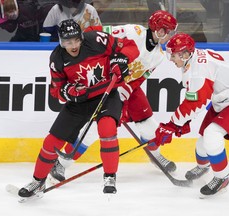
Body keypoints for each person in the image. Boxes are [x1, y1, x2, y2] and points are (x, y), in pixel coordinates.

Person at [48, 10, 179, 184]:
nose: (170, 36)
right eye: (168, 31)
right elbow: (99, 32)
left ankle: (156, 157)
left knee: (149, 126)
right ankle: (61, 164)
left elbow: (140, 77)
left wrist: (125, 91)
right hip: (103, 82)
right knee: (94, 130)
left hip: (127, 88)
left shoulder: (159, 56)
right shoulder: (134, 32)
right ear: (159, 30)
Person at [17, 19, 139, 201]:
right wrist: (69, 92)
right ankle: (38, 181)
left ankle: (109, 177)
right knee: (52, 142)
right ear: (60, 41)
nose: (72, 46)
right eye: (67, 42)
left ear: (82, 37)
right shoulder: (57, 58)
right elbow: (56, 90)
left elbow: (131, 46)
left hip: (107, 93)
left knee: (107, 129)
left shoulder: (97, 40)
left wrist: (121, 58)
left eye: (75, 40)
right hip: (80, 102)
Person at [152, 33, 229, 198]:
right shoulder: (193, 61)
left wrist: (171, 125)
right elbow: (194, 97)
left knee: (212, 135)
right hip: (225, 99)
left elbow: (196, 103)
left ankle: (222, 178)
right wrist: (182, 121)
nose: (171, 59)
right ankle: (203, 167)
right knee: (203, 141)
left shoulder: (198, 70)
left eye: (173, 55)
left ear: (185, 54)